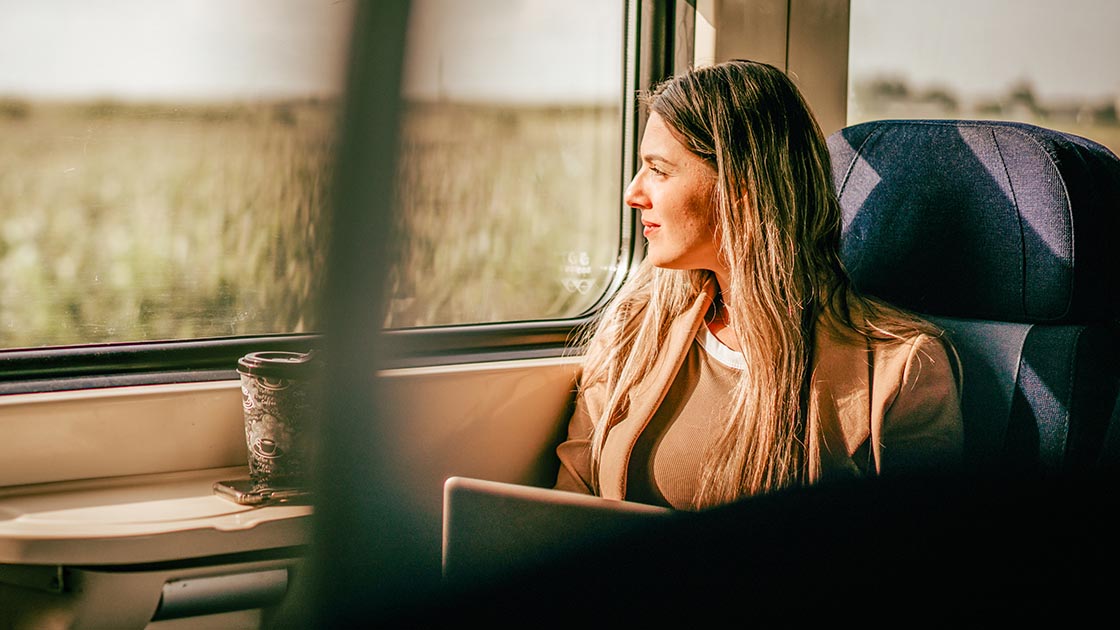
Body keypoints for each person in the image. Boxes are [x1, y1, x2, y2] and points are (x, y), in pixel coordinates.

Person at [554, 60, 963, 511]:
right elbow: (568, 506)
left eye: (660, 170)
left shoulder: (900, 371)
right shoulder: (633, 329)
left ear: (741, 190)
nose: (633, 193)